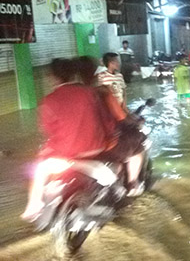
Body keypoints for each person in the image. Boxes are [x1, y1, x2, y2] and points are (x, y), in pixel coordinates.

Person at [21, 58, 108, 221]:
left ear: (52, 77)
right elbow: (103, 120)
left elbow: (47, 130)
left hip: (66, 153)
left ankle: (34, 204)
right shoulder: (89, 93)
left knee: (38, 167)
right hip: (95, 148)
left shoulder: (49, 100)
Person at [77, 56, 145, 197]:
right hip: (103, 144)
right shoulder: (103, 91)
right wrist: (133, 121)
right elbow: (120, 116)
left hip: (74, 148)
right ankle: (132, 183)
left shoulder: (67, 95)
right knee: (138, 143)